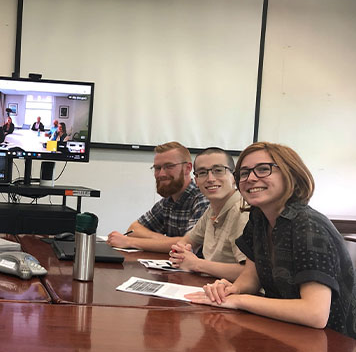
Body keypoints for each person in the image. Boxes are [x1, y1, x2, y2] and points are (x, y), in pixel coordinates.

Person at [186, 142, 356, 339]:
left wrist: (240, 300)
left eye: (263, 169)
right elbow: (251, 277)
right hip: (286, 331)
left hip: (333, 346)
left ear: (290, 174)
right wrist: (231, 290)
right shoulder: (258, 217)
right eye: (244, 172)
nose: (250, 178)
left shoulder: (307, 225)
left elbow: (315, 313)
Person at [107, 141, 209, 253]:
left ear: (188, 168)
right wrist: (168, 241)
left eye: (169, 166)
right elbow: (134, 229)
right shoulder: (168, 201)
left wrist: (129, 242)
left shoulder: (203, 199)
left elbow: (188, 245)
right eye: (157, 168)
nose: (161, 174)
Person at [168, 147, 248, 280]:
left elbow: (249, 274)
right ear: (197, 180)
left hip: (238, 294)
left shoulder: (242, 211)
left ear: (234, 177)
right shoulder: (212, 209)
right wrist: (180, 252)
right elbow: (186, 241)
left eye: (218, 171)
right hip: (213, 288)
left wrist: (196, 264)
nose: (210, 179)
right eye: (203, 172)